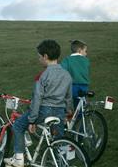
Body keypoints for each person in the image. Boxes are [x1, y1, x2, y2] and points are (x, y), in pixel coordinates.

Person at [4, 39, 72, 167]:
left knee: (18, 126)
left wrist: (32, 120)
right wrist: (69, 112)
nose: (39, 59)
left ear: (45, 56)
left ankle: (19, 158)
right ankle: (62, 161)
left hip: (44, 110)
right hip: (59, 111)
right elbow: (68, 97)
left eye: (39, 57)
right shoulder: (66, 74)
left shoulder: (43, 75)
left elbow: (37, 99)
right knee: (59, 138)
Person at [61, 40, 89, 108]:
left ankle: (67, 113)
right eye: (85, 51)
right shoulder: (86, 60)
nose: (86, 54)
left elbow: (62, 71)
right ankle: (80, 117)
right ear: (80, 50)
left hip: (71, 87)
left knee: (65, 103)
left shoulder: (67, 60)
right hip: (84, 87)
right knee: (80, 105)